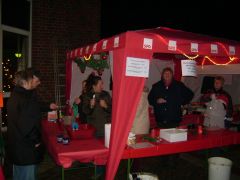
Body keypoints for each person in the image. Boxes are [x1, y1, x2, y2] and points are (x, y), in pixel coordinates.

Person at [6, 69, 57, 180]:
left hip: (17, 147)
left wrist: (48, 106)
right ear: (26, 81)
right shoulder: (26, 99)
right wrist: (37, 141)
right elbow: (28, 125)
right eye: (32, 80)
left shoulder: (15, 95)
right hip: (26, 150)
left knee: (19, 175)